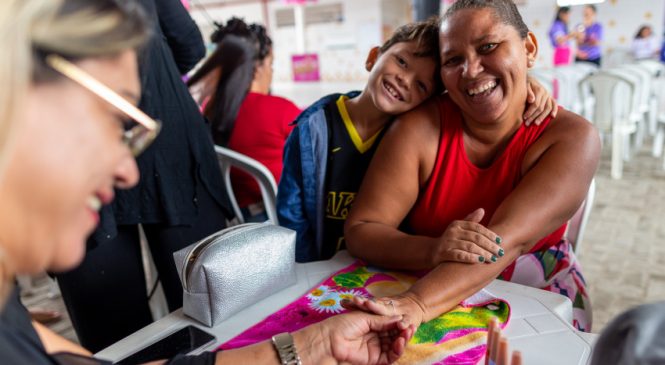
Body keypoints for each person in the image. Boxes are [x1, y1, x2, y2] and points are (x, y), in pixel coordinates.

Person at [0, 0, 417, 364]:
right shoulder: (303, 120)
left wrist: (310, 346)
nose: (129, 170)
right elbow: (186, 44)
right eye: (110, 118)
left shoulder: (12, 320)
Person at [344, 0, 600, 334]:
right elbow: (363, 228)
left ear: (529, 48)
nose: (471, 70)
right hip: (427, 285)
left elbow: (505, 241)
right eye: (453, 60)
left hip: (538, 296)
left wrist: (417, 304)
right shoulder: (419, 129)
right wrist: (433, 249)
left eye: (488, 47)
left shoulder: (573, 137)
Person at [277, 18, 558, 263]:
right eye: (401, 61)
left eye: (421, 85)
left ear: (431, 101)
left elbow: (472, 91)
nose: (405, 80)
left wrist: (528, 84)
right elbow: (292, 215)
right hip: (319, 265)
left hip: (376, 265)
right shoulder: (312, 129)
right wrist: (305, 269)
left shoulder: (412, 134)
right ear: (373, 57)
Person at [53, 0, 237, 352]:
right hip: (162, 134)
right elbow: (188, 45)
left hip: (79, 144)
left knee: (114, 328)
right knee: (204, 309)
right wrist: (145, 85)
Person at [188, 18, 301, 222]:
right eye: (271, 64)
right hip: (278, 219)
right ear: (257, 68)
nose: (272, 71)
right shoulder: (280, 110)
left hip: (239, 219)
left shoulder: (212, 109)